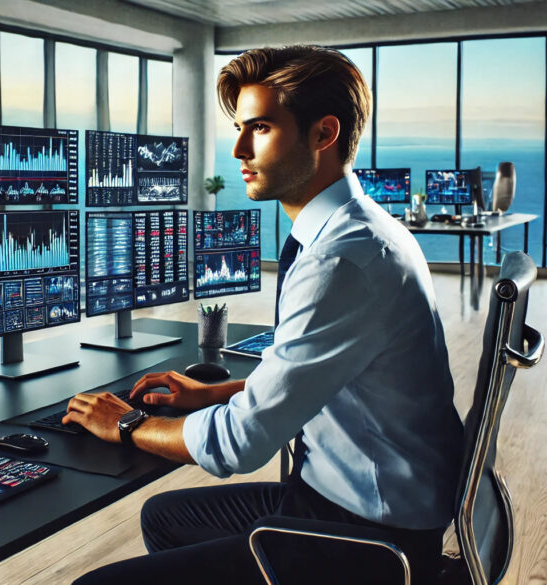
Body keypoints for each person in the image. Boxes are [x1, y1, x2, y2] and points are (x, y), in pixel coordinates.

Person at [64, 45, 464, 584]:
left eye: (260, 128)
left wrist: (128, 423)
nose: (237, 149)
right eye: (238, 127)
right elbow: (316, 377)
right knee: (166, 515)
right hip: (354, 496)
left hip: (368, 536)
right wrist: (211, 393)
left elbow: (242, 443)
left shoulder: (341, 261)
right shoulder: (362, 229)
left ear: (324, 134)